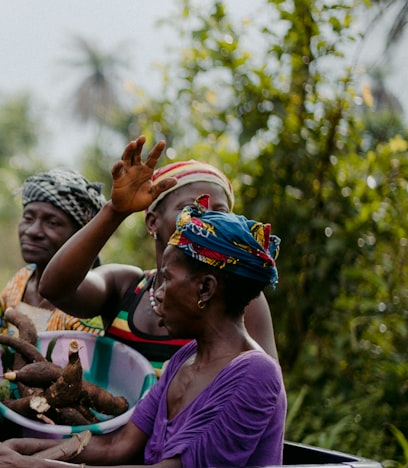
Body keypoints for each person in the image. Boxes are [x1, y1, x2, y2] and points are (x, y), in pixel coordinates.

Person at [0, 197, 285, 468]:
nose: (156, 294)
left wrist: (28, 467)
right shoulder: (184, 359)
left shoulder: (254, 373)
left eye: (166, 280)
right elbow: (119, 445)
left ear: (205, 288)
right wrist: (21, 447)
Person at [38, 137, 278, 373]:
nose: (206, 221)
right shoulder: (126, 287)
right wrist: (114, 212)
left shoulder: (239, 298)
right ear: (153, 222)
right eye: (192, 209)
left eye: (220, 212)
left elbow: (265, 388)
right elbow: (54, 288)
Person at [0, 169, 107, 335]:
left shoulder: (87, 304)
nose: (33, 231)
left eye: (52, 223)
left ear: (81, 236)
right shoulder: (19, 282)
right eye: (28, 217)